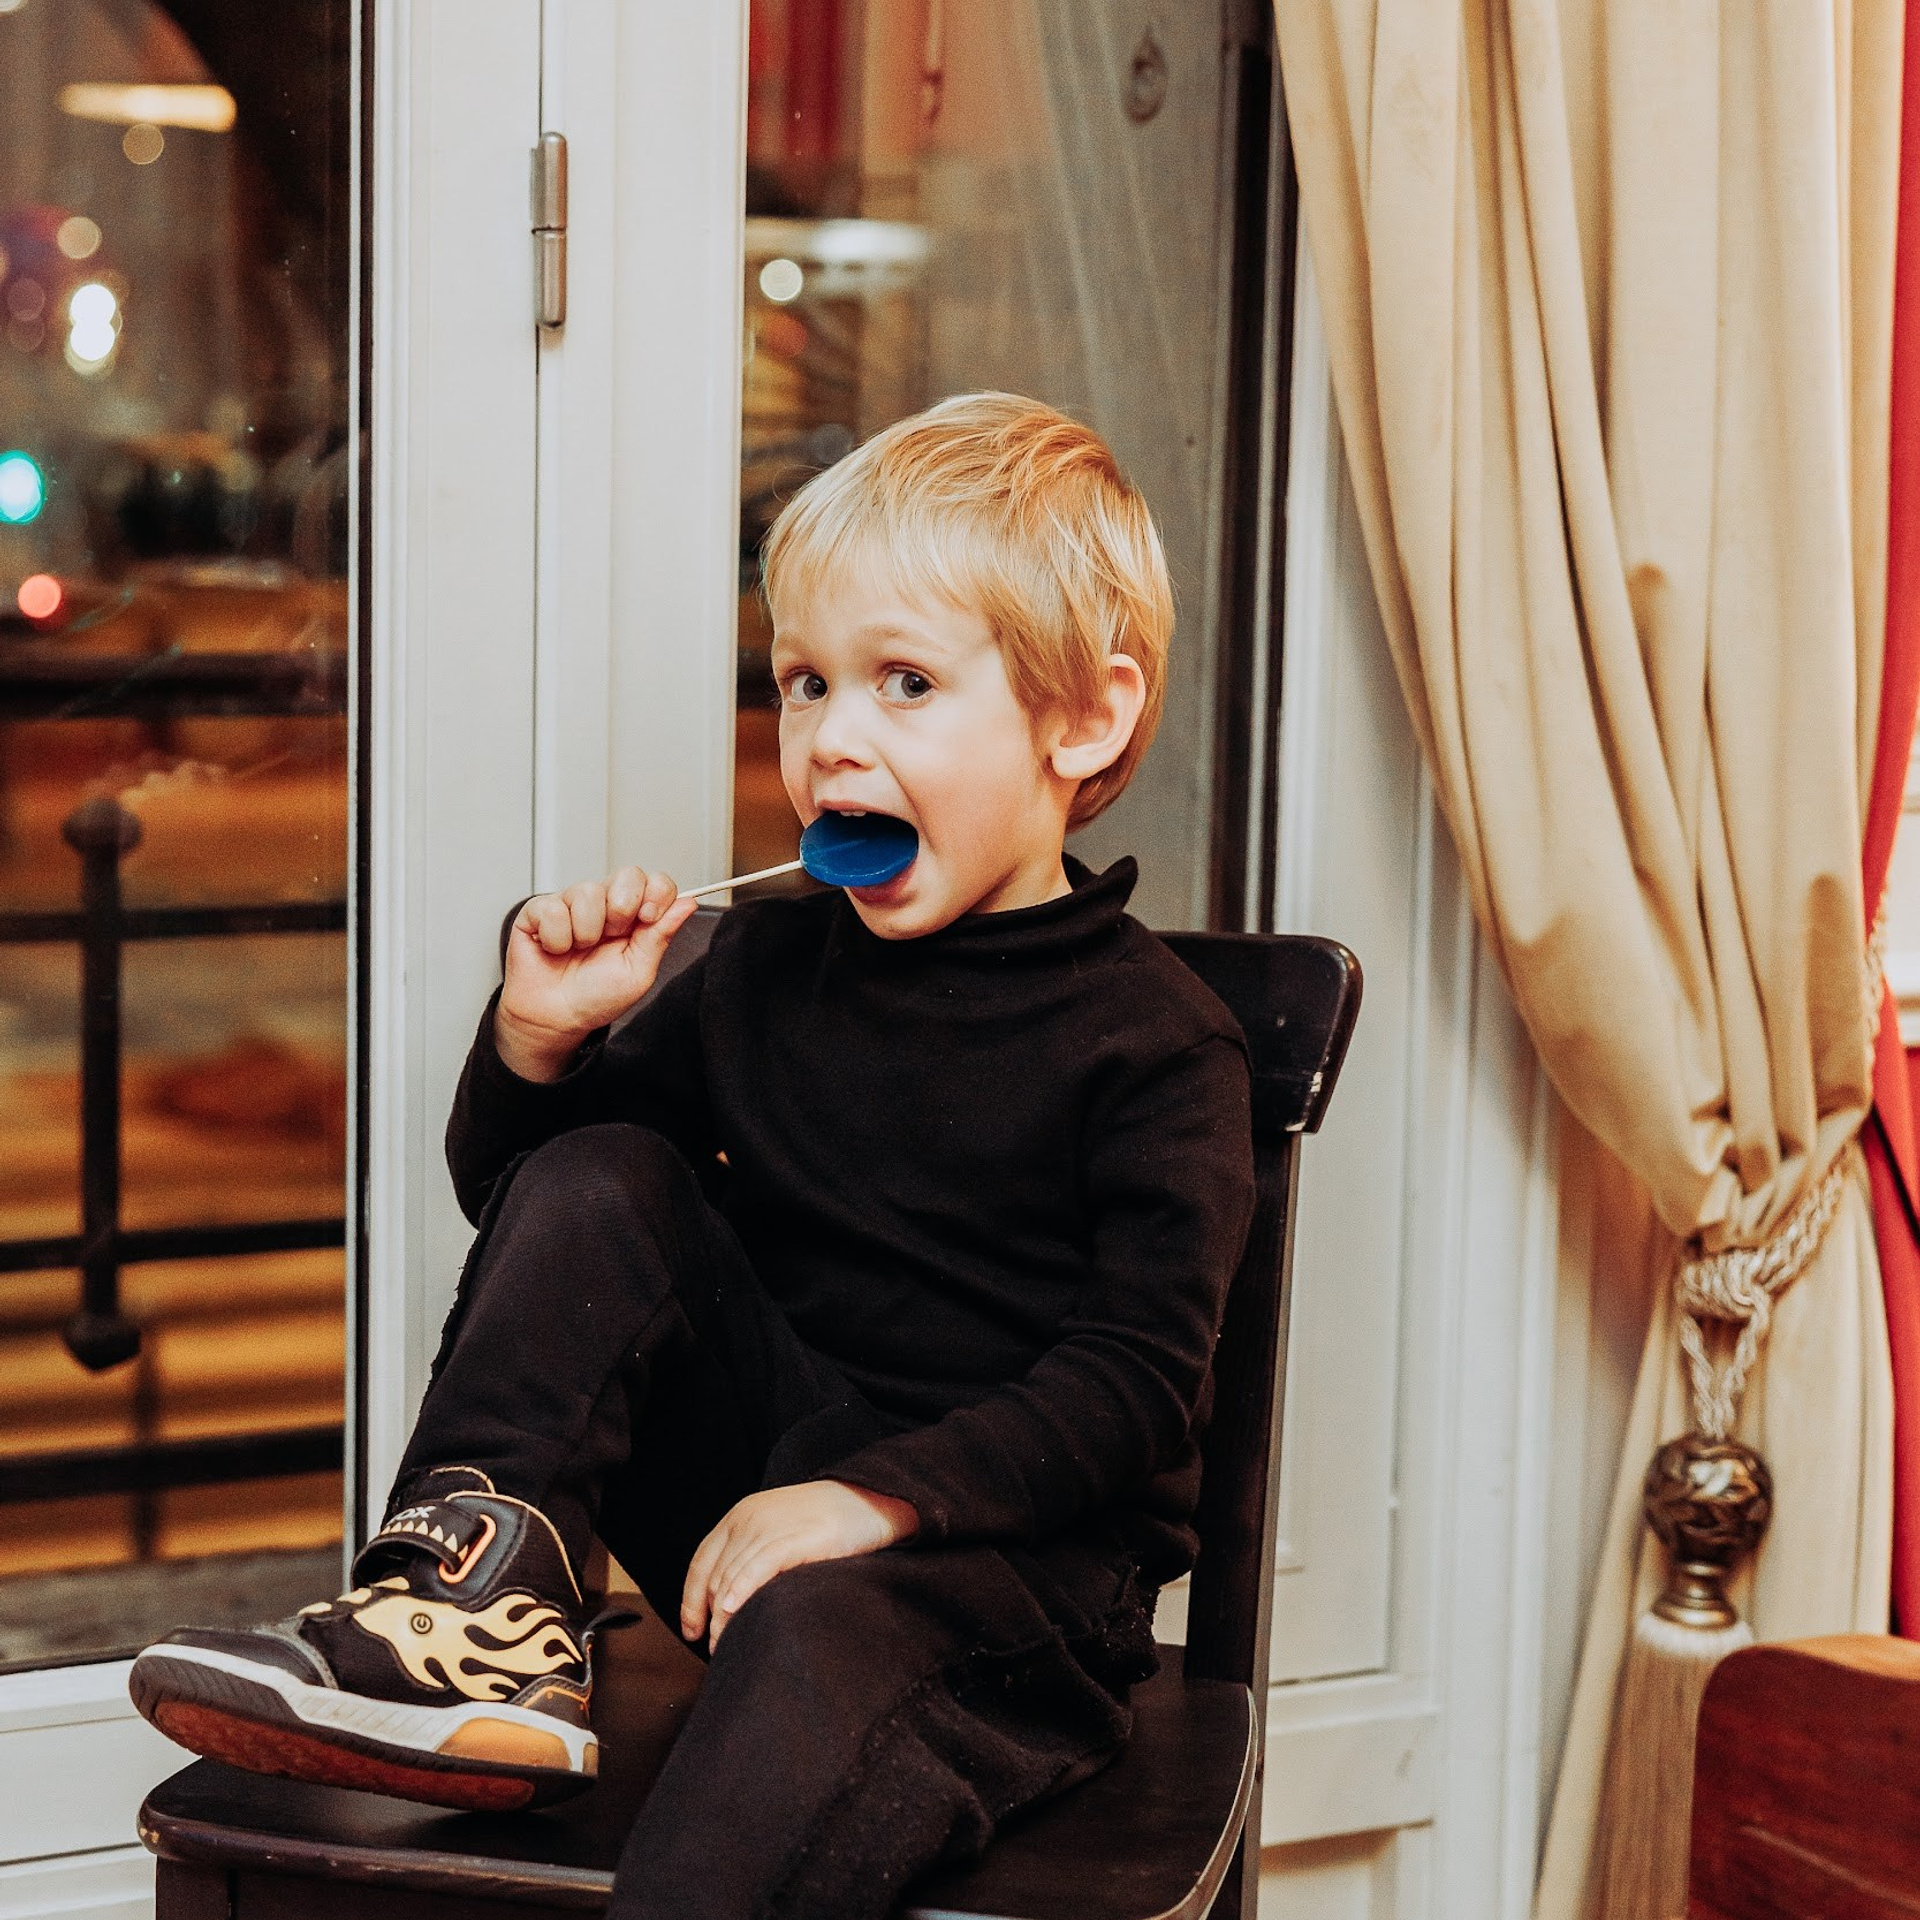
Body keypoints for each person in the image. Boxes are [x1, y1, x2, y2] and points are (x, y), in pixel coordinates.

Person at [129, 392, 1257, 1920]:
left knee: (815, 1629)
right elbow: (528, 1210)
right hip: (760, 1503)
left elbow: (1132, 1391)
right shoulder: (757, 970)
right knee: (605, 1170)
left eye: (905, 683)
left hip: (1012, 1590)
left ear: (1087, 719)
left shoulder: (1159, 1047)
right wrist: (539, 1040)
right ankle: (471, 1622)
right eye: (804, 683)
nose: (831, 737)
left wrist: (873, 1505)